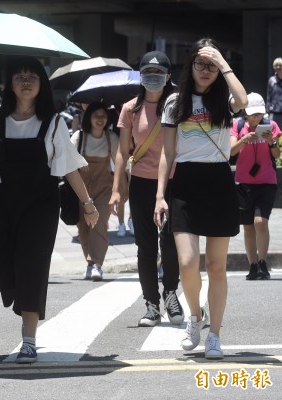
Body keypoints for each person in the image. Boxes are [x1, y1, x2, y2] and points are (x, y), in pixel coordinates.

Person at [0, 56, 99, 363]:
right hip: (4, 203)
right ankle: (17, 291)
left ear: (41, 84)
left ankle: (29, 340)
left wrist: (88, 203)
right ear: (10, 84)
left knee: (32, 268)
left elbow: (67, 167)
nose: (25, 82)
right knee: (0, 264)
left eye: (32, 77)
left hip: (41, 206)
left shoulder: (53, 123)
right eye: (19, 76)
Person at [154, 38, 248, 360]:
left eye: (211, 65)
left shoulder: (225, 100)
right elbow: (167, 154)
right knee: (187, 263)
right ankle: (195, 317)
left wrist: (223, 63)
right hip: (185, 186)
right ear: (190, 65)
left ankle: (215, 336)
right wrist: (159, 196)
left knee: (217, 267)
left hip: (219, 181)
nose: (206, 70)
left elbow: (244, 98)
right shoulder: (174, 103)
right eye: (200, 63)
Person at [109, 50, 184, 327]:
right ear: (140, 76)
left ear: (168, 77)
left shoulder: (176, 106)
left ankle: (171, 294)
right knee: (146, 247)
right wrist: (117, 188)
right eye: (148, 74)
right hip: (141, 183)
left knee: (170, 242)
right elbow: (121, 151)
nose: (153, 78)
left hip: (174, 182)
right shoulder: (130, 108)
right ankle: (151, 304)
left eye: (158, 74)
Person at [229, 92, 281, 280]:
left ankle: (263, 263)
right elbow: (230, 151)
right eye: (253, 114)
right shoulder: (238, 125)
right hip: (244, 184)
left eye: (259, 114)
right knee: (248, 226)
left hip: (267, 182)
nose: (256, 118)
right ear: (245, 112)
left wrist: (271, 142)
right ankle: (252, 265)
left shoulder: (271, 126)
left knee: (261, 222)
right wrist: (244, 140)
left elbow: (276, 155)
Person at [71, 102, 119, 282]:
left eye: (103, 115)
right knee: (83, 228)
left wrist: (121, 188)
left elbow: (121, 163)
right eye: (95, 115)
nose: (100, 119)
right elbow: (67, 160)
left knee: (98, 225)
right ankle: (89, 264)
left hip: (104, 189)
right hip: (81, 190)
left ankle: (97, 264)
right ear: (88, 118)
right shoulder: (79, 137)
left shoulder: (111, 138)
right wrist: (79, 164)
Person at [266, 57, 282, 129]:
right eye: (276, 65)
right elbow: (268, 96)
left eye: (280, 65)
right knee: (275, 134)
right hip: (275, 113)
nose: (278, 67)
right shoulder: (272, 80)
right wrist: (267, 111)